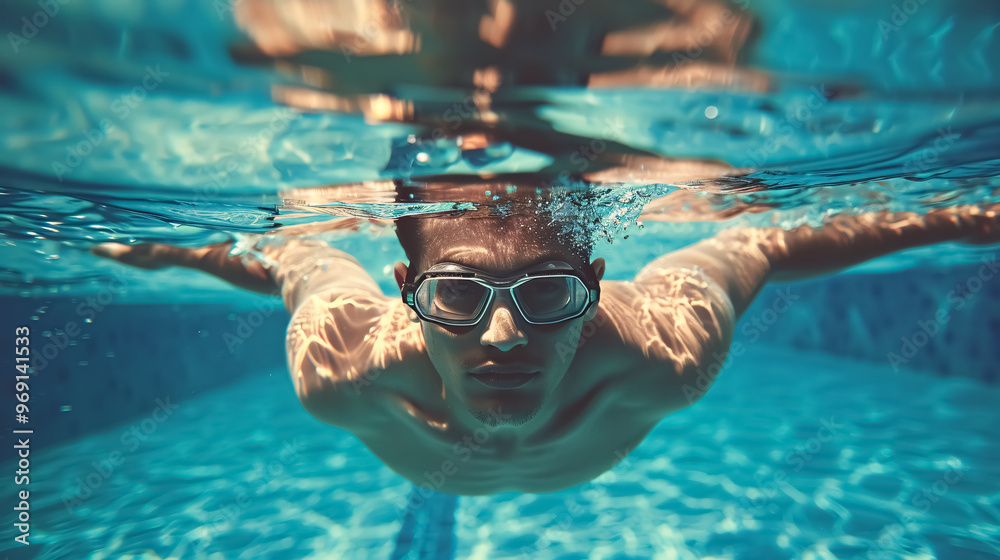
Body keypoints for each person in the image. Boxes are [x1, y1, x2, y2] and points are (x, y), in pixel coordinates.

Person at [91, 182, 999, 495]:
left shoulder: (664, 356)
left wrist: (956, 218)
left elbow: (756, 241)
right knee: (308, 258)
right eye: (456, 293)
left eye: (549, 294)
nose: (502, 335)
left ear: (594, 284)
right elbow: (298, 265)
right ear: (407, 292)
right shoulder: (345, 368)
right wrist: (175, 248)